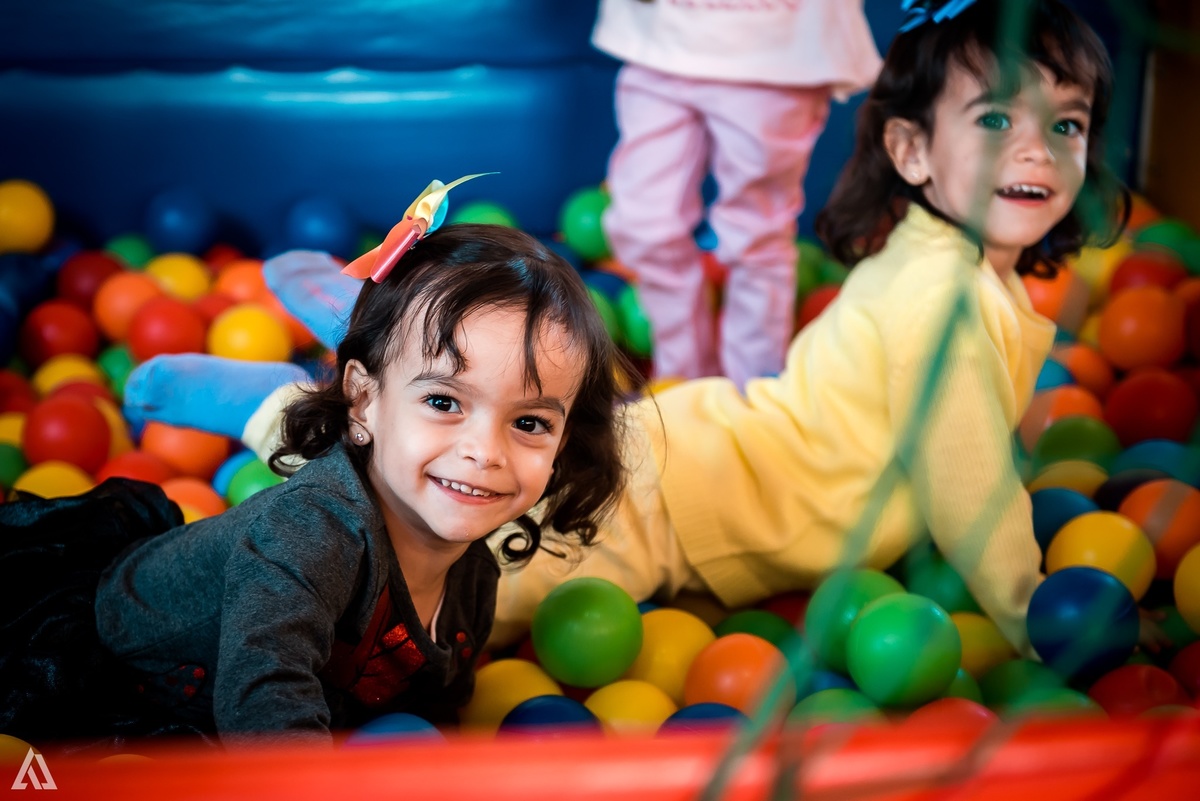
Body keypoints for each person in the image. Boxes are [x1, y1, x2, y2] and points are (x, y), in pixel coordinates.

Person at [120, 0, 1140, 661]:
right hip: (676, 505)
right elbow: (968, 477)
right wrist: (1029, 611)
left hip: (702, 454)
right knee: (419, 562)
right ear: (913, 150)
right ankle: (272, 398)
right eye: (996, 121)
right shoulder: (948, 295)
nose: (1039, 151)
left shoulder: (942, 263)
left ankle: (351, 330)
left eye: (1067, 122)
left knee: (450, 432)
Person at [0, 221, 630, 745]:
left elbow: (438, 700)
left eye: (528, 422)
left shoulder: (473, 570)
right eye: (443, 402)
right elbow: (265, 708)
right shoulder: (309, 533)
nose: (484, 452)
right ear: (363, 402)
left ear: (564, 441)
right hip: (116, 671)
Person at [592, 0, 882, 388]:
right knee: (644, 224)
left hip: (772, 49)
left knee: (755, 236)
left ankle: (751, 391)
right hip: (662, 40)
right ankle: (683, 380)